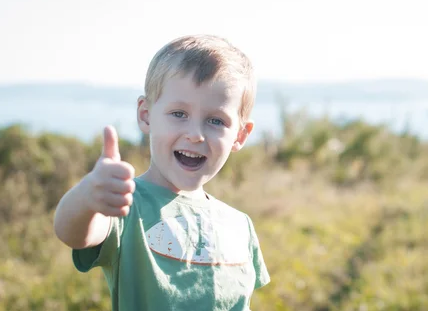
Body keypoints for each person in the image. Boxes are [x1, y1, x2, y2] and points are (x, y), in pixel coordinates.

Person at [53, 34, 270, 310]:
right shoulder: (127, 206)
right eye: (179, 114)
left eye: (216, 120)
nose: (195, 135)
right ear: (146, 115)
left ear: (240, 135)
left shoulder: (240, 225)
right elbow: (71, 233)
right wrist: (87, 196)